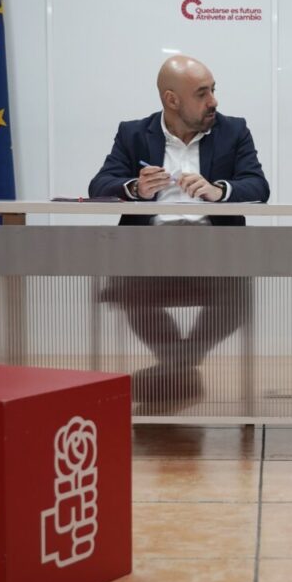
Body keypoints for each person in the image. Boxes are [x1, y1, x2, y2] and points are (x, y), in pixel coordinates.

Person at [89, 55, 269, 410]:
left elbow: (258, 186)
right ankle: (181, 373)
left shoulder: (233, 130)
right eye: (202, 94)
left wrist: (219, 191)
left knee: (237, 297)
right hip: (149, 254)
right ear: (172, 100)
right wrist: (135, 188)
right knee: (131, 289)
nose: (214, 101)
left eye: (213, 90)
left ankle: (176, 368)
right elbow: (100, 185)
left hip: (217, 255)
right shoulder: (134, 133)